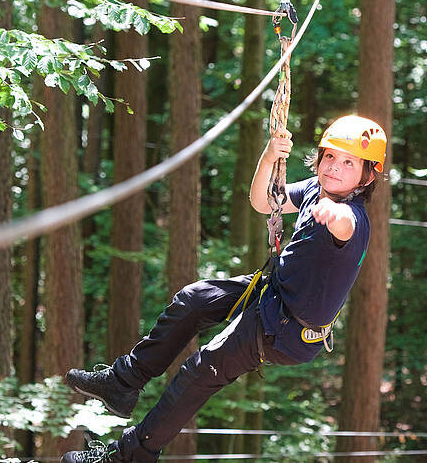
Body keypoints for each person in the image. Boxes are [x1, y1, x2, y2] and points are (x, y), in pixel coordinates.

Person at [60, 115, 387, 463]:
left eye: (348, 162)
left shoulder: (352, 217)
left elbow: (344, 225)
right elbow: (263, 201)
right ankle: (124, 382)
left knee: (200, 370)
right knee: (194, 300)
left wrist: (332, 212)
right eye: (330, 157)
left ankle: (126, 457)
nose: (334, 167)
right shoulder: (313, 190)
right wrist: (269, 154)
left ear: (367, 176)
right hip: (272, 293)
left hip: (286, 329)